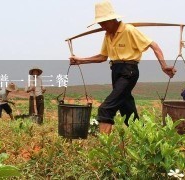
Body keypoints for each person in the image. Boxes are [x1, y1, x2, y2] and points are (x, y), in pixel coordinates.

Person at [69, 0, 177, 134]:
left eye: (104, 22)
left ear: (113, 19)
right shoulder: (108, 35)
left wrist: (164, 66)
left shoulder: (129, 30)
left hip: (129, 72)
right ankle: (144, 137)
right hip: (115, 71)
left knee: (106, 108)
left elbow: (153, 45)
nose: (102, 26)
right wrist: (80, 60)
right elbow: (103, 57)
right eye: (100, 23)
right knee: (127, 111)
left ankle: (106, 148)